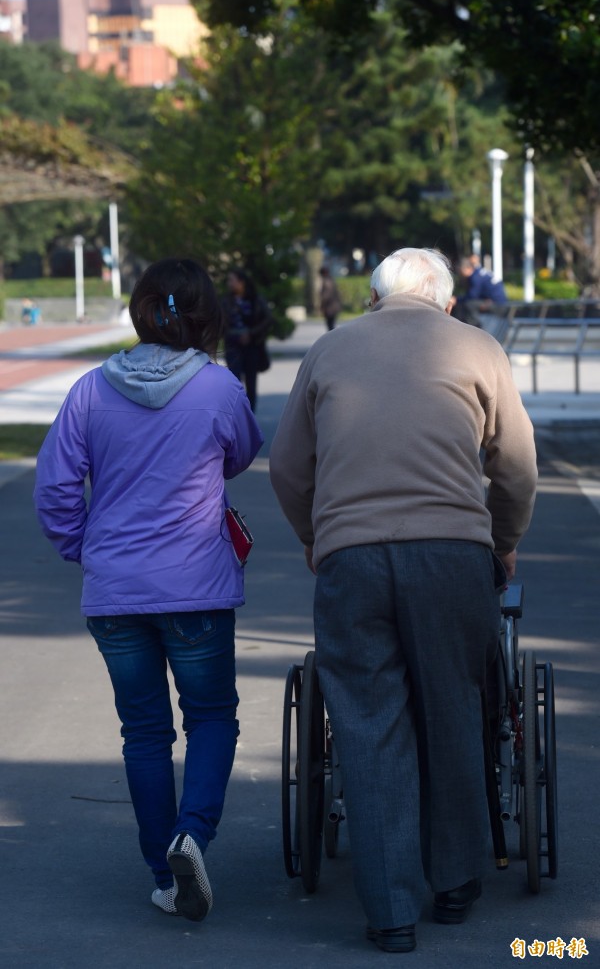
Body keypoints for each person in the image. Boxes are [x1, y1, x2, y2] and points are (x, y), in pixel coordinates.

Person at [269, 247, 537, 953]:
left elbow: (291, 468)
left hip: (351, 557)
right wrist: (502, 541)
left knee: (366, 719)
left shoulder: (328, 352)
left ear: (372, 298)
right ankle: (454, 880)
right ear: (446, 301)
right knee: (454, 704)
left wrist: (315, 534)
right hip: (453, 553)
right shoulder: (479, 348)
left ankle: (390, 910)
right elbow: (515, 466)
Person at [34, 258, 264, 922]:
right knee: (212, 714)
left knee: (143, 731)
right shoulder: (218, 388)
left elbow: (54, 488)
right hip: (195, 586)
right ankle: (194, 831)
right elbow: (242, 452)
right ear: (206, 319)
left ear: (139, 312)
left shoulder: (89, 390)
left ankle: (163, 869)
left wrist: (87, 548)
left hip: (115, 590)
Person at [221, 268, 272, 412]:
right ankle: (237, 414)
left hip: (252, 345)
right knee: (234, 382)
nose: (229, 284)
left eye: (232, 280)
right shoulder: (226, 301)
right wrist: (233, 335)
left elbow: (267, 319)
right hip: (233, 345)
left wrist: (251, 333)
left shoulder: (255, 299)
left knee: (251, 382)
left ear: (241, 282)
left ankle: (250, 415)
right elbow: (222, 322)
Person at [452, 254, 508, 326]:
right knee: (468, 303)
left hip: (498, 306)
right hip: (500, 303)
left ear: (466, 269)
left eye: (460, 271)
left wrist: (456, 299)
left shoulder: (475, 278)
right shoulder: (479, 272)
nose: (460, 274)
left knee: (469, 304)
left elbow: (472, 296)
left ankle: (475, 328)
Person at [319, 265, 342, 330]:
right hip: (333, 306)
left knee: (330, 325)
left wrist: (322, 306)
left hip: (329, 307)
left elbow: (326, 295)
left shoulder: (326, 281)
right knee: (331, 324)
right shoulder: (331, 280)